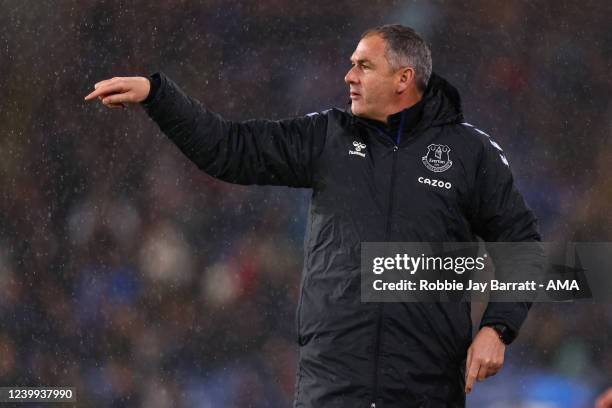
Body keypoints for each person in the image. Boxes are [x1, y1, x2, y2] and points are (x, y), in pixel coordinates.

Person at [84, 24, 541, 408]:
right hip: (333, 385)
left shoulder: (469, 152)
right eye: (351, 63)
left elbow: (523, 243)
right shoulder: (328, 137)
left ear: (404, 79)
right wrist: (157, 96)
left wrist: (497, 328)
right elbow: (230, 149)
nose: (349, 76)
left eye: (364, 65)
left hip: (426, 387)